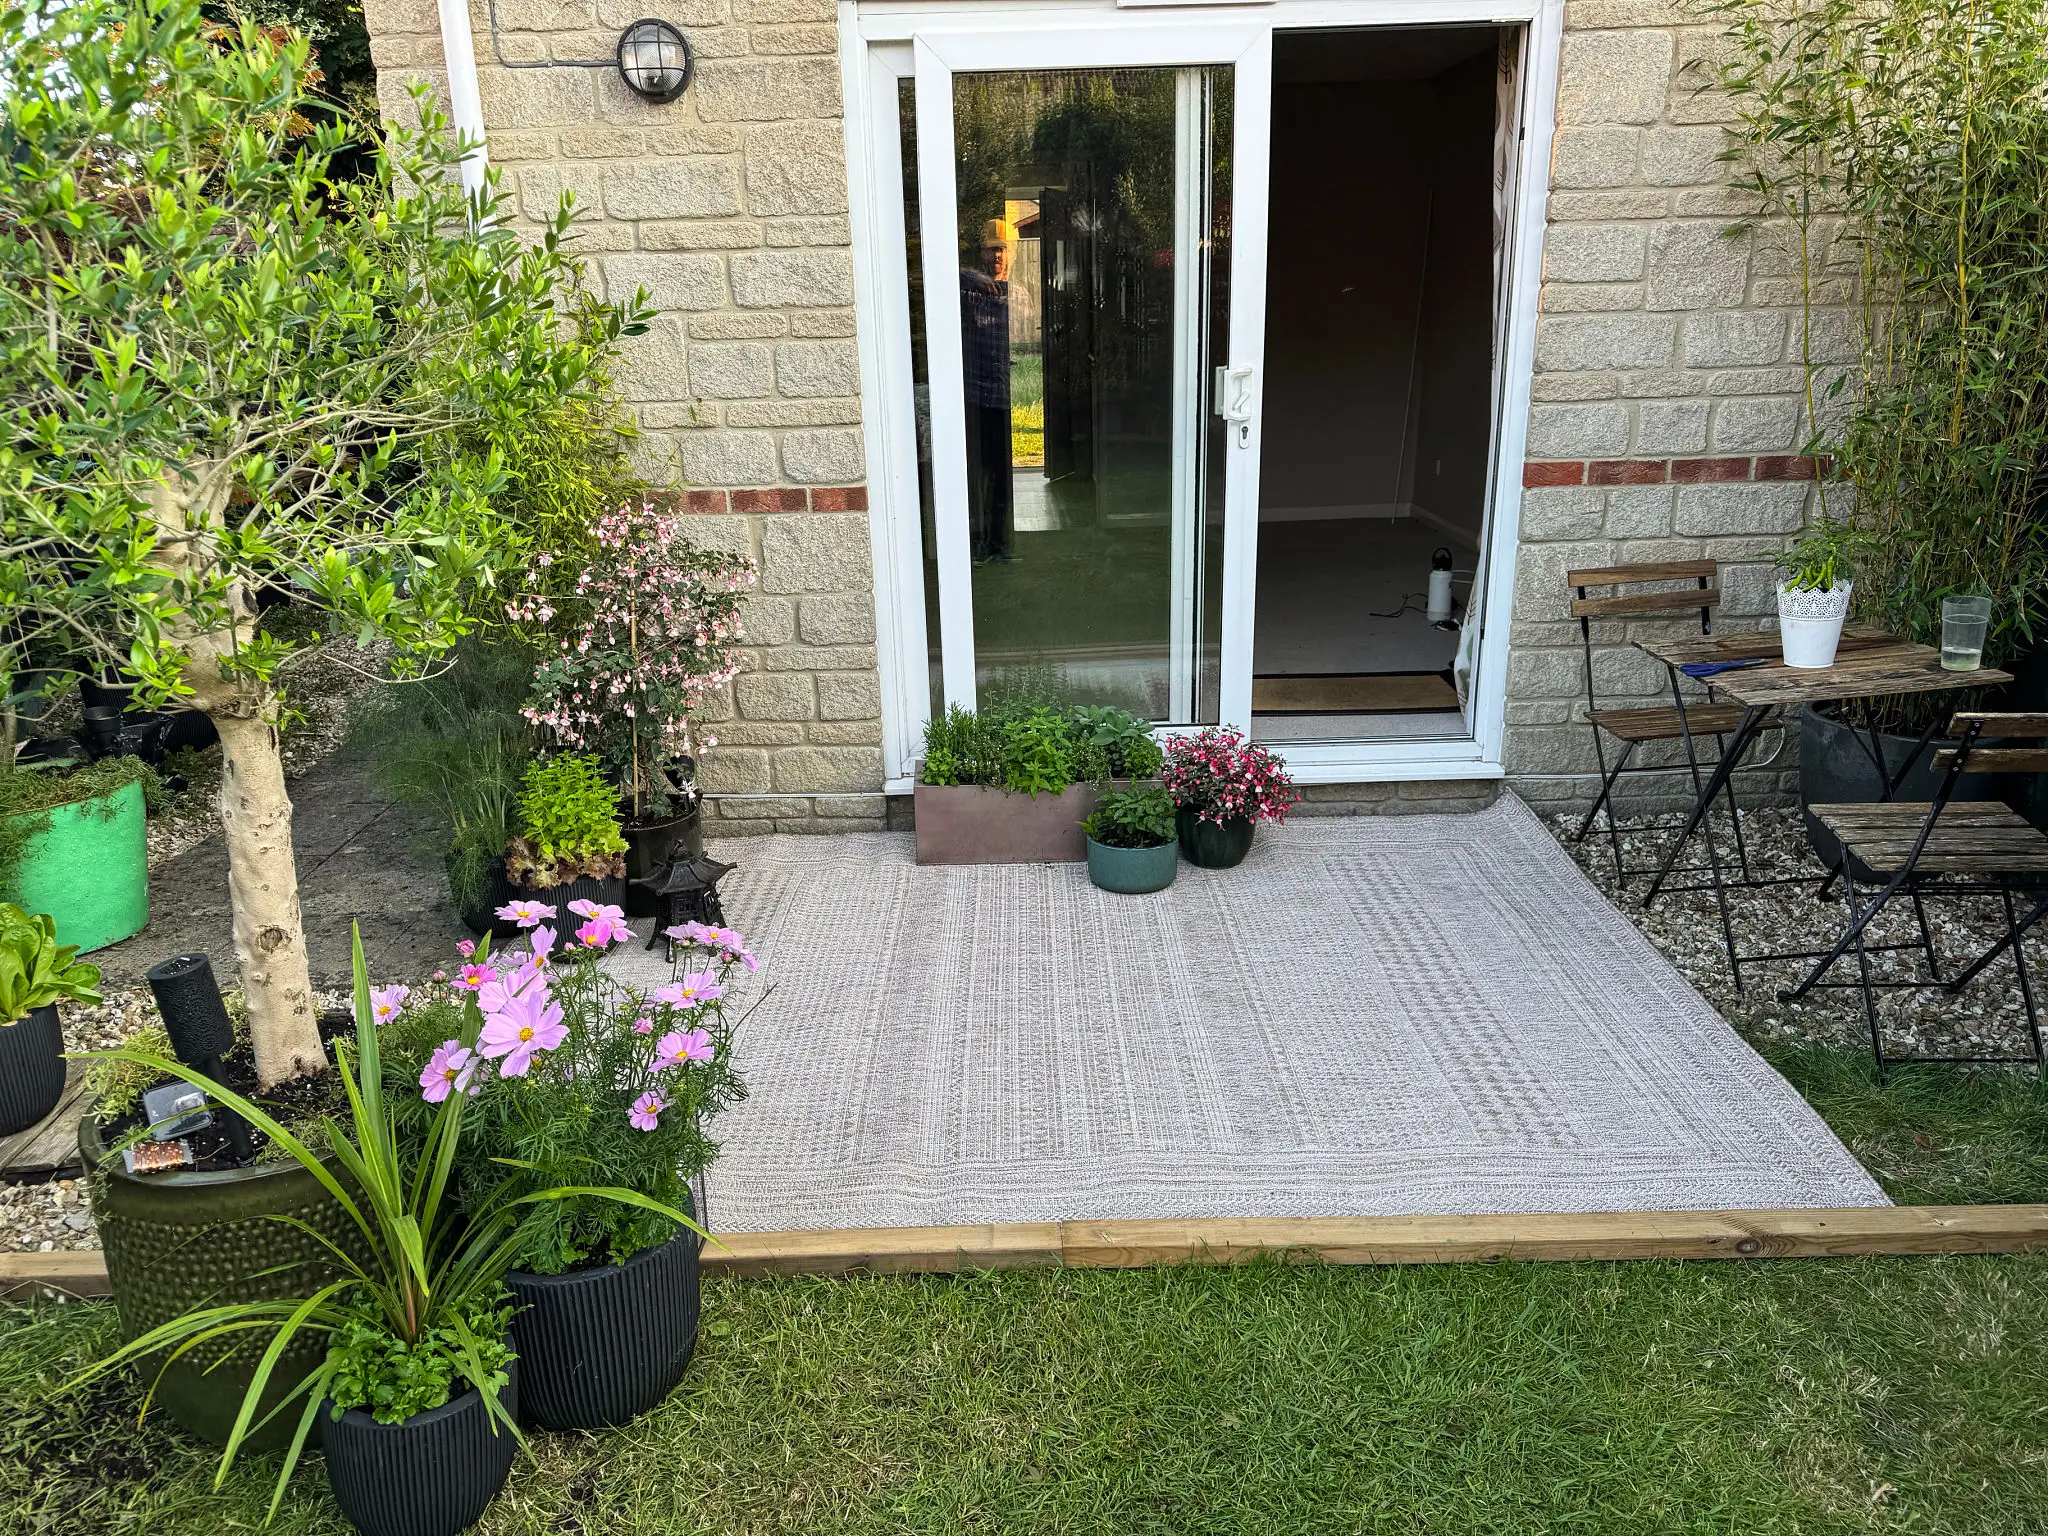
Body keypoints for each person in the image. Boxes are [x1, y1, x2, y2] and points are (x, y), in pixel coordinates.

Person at [961, 216, 1015, 563]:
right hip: (974, 396)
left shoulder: (1018, 293)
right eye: (992, 249)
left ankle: (1000, 543)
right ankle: (976, 543)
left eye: (1002, 249)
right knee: (973, 472)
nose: (997, 256)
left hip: (1006, 397)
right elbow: (933, 276)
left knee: (1001, 475)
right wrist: (970, 276)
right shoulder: (967, 290)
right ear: (982, 252)